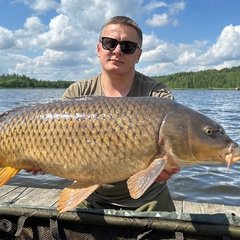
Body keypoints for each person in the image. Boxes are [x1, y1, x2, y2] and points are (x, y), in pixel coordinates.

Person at [61, 16, 180, 212]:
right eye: (110, 43)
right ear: (99, 49)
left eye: (128, 47)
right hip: (89, 196)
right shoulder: (77, 93)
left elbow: (174, 146)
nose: (117, 51)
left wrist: (168, 166)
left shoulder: (157, 95)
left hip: (147, 198)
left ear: (138, 55)